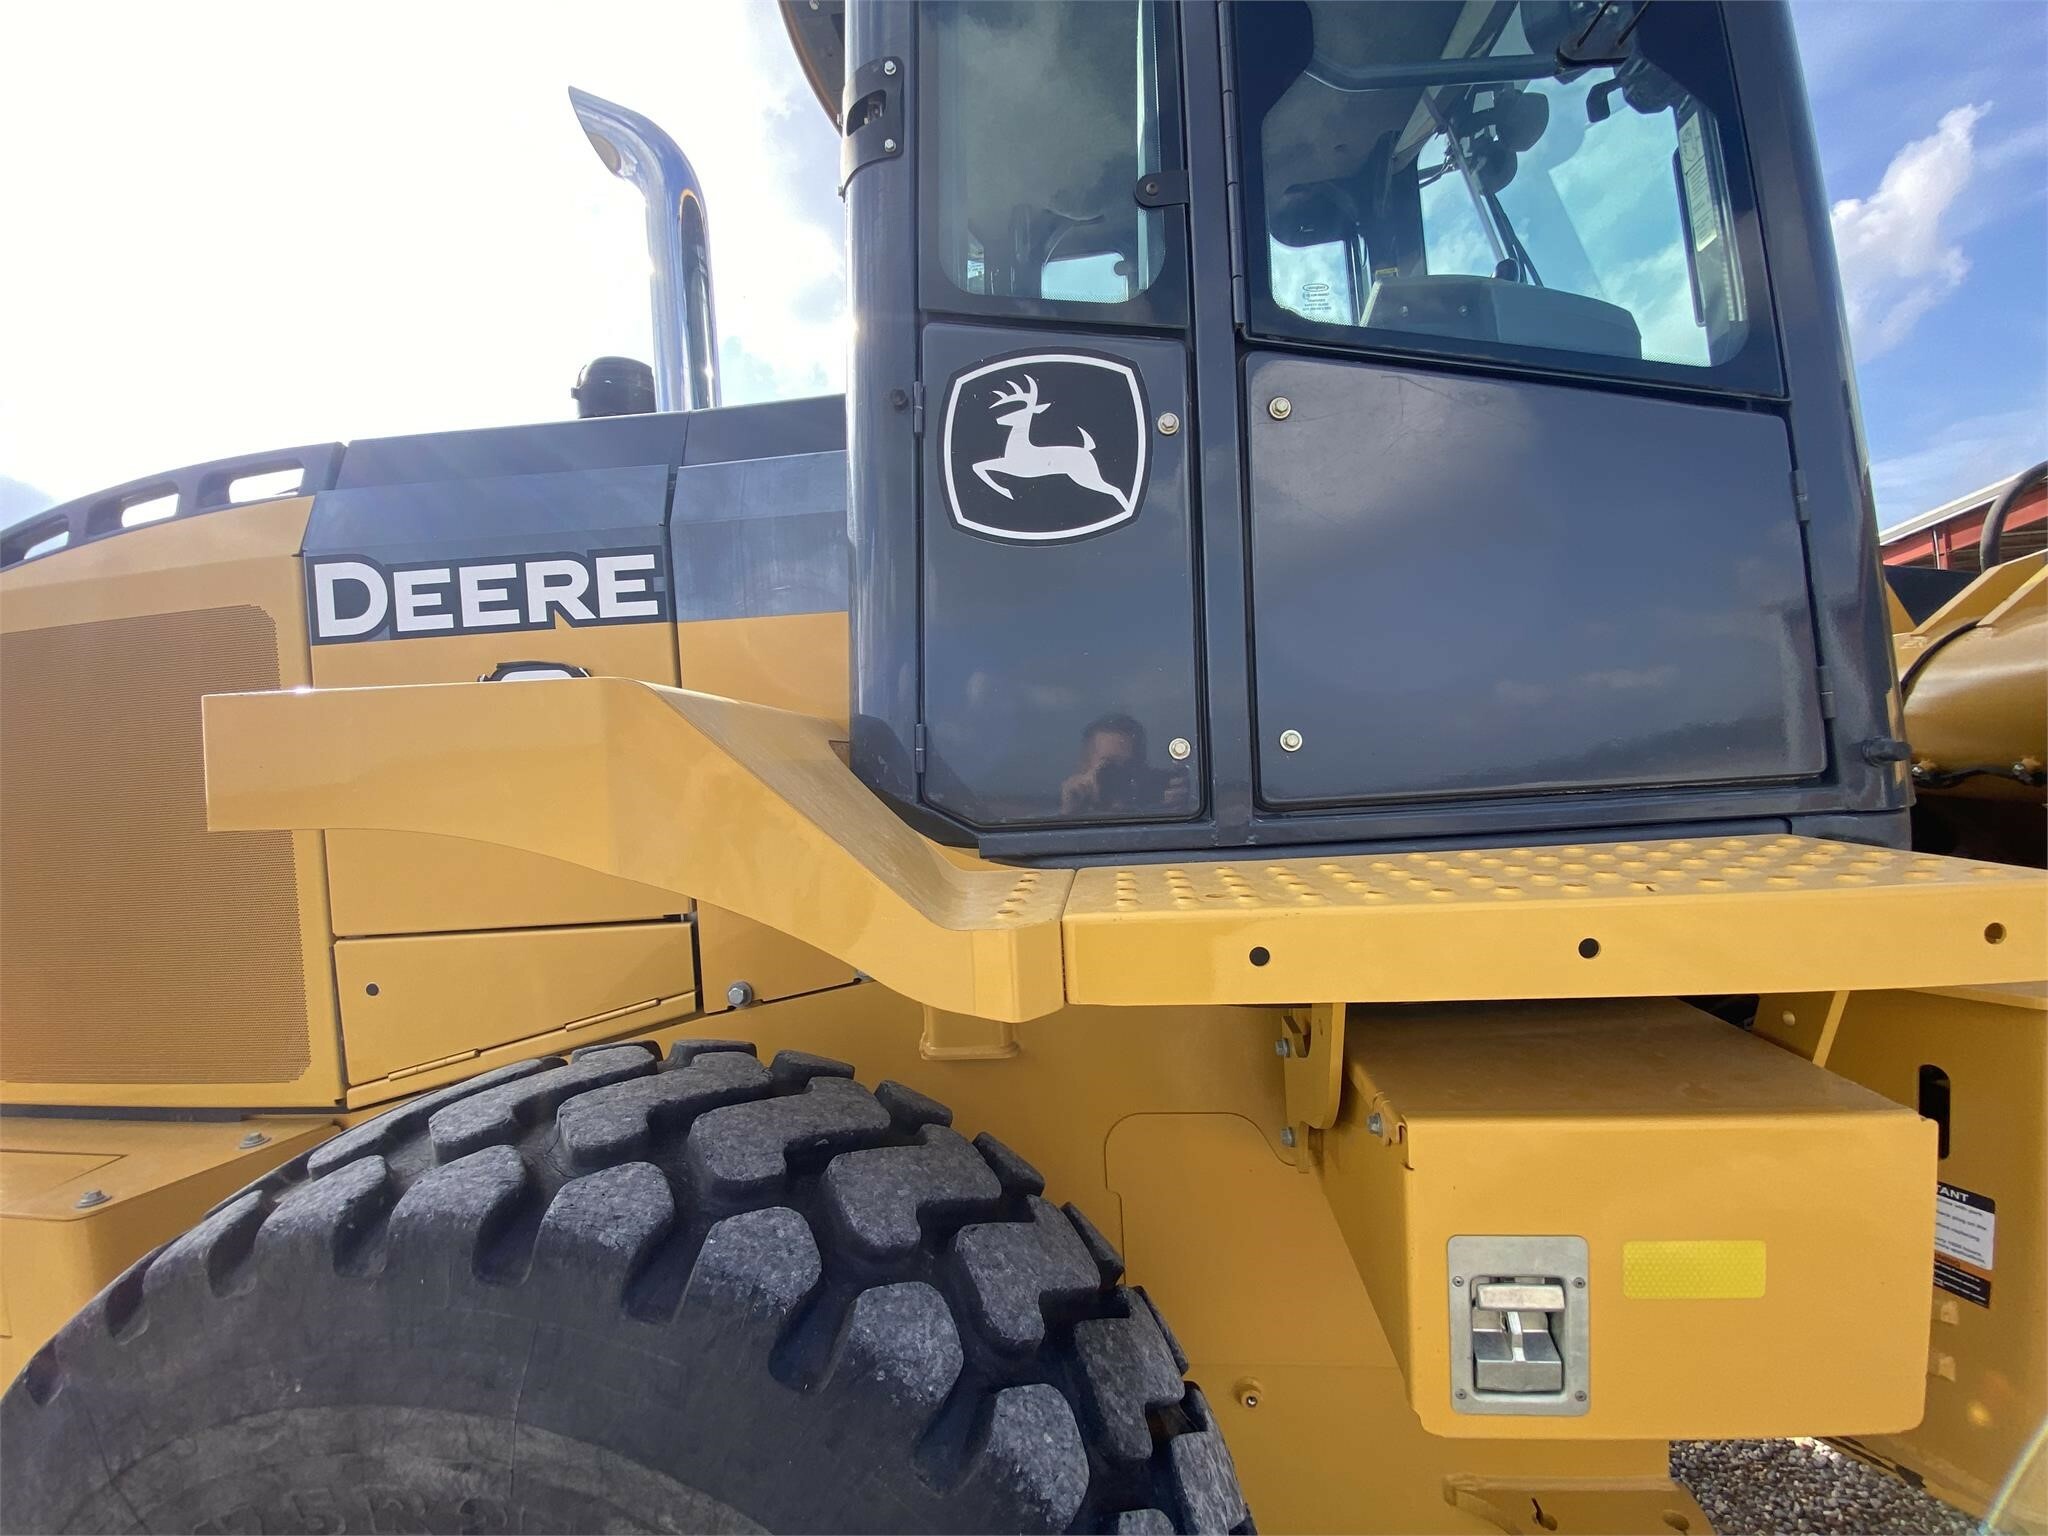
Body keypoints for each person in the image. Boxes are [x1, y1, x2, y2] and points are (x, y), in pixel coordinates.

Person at [1059, 712, 1190, 817]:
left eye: (1130, 765)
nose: (1120, 774)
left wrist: (1177, 812)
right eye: (1110, 765)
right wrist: (1069, 814)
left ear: (1143, 767)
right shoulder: (1075, 803)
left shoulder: (1155, 804)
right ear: (1085, 765)